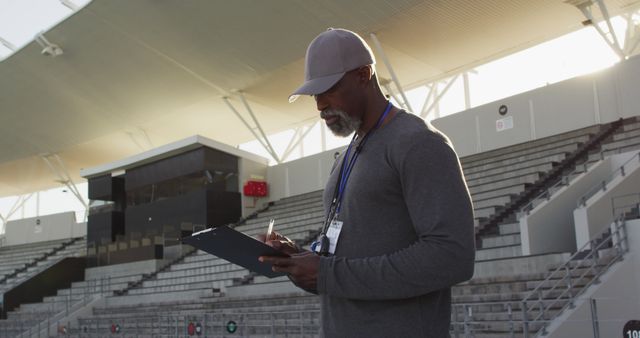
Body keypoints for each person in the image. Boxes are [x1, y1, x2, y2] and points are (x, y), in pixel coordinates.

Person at [259, 28, 475, 337]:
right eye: (315, 95)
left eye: (329, 89)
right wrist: (300, 259)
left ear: (363, 74)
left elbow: (452, 257)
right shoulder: (348, 154)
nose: (320, 105)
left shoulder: (419, 143)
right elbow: (346, 260)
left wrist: (328, 273)